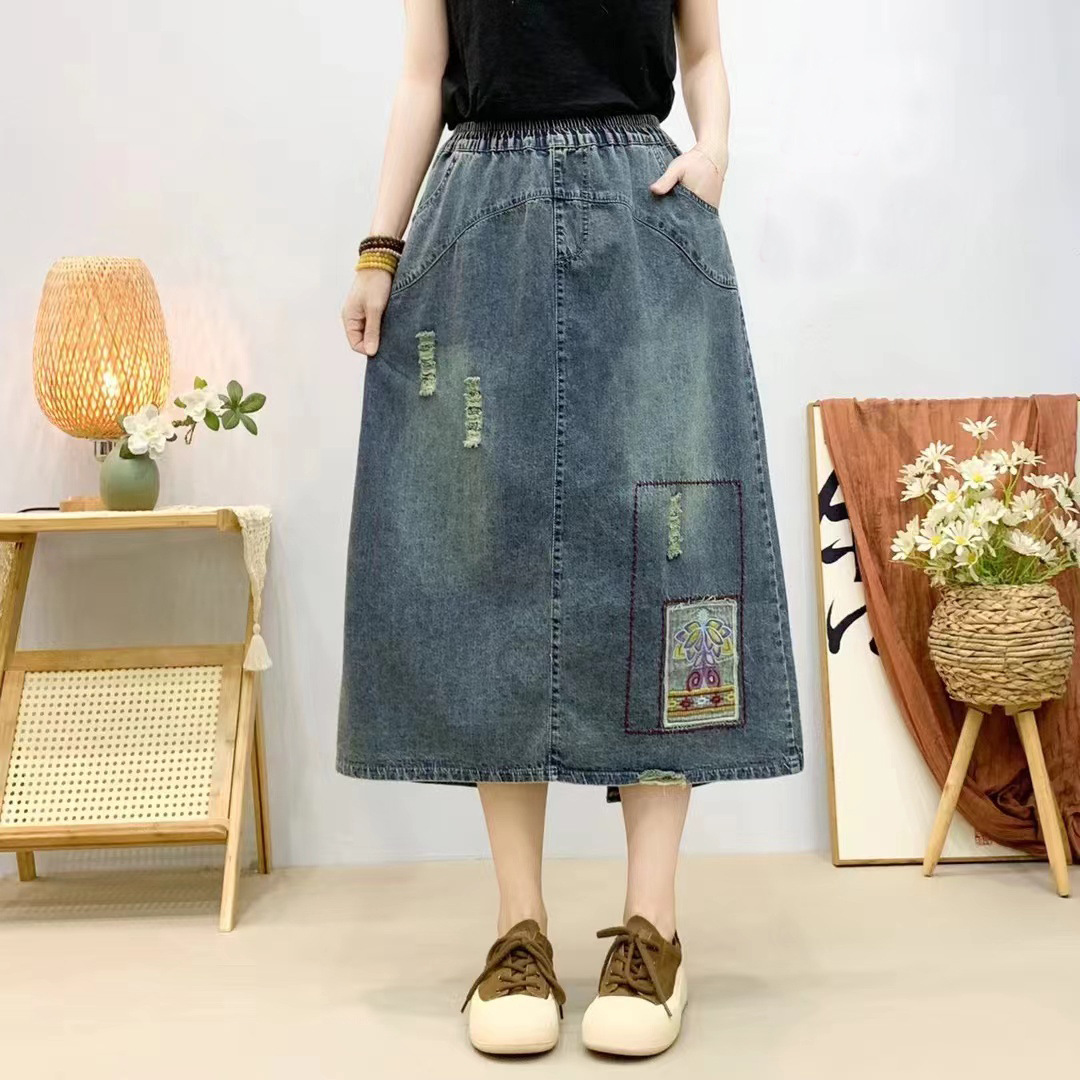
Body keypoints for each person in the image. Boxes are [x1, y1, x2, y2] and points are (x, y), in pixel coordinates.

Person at [337, 0, 802, 1058]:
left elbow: (703, 49)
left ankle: (653, 929)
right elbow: (423, 76)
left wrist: (714, 152)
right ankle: (520, 931)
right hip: (476, 225)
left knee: (673, 555)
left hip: (646, 219)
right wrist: (378, 249)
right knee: (488, 561)